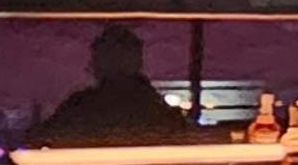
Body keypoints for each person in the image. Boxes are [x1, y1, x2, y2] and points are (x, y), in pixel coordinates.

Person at [29, 25, 191, 147]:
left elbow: (42, 139)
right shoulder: (160, 111)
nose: (91, 65)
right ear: (138, 62)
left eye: (98, 57)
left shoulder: (81, 108)